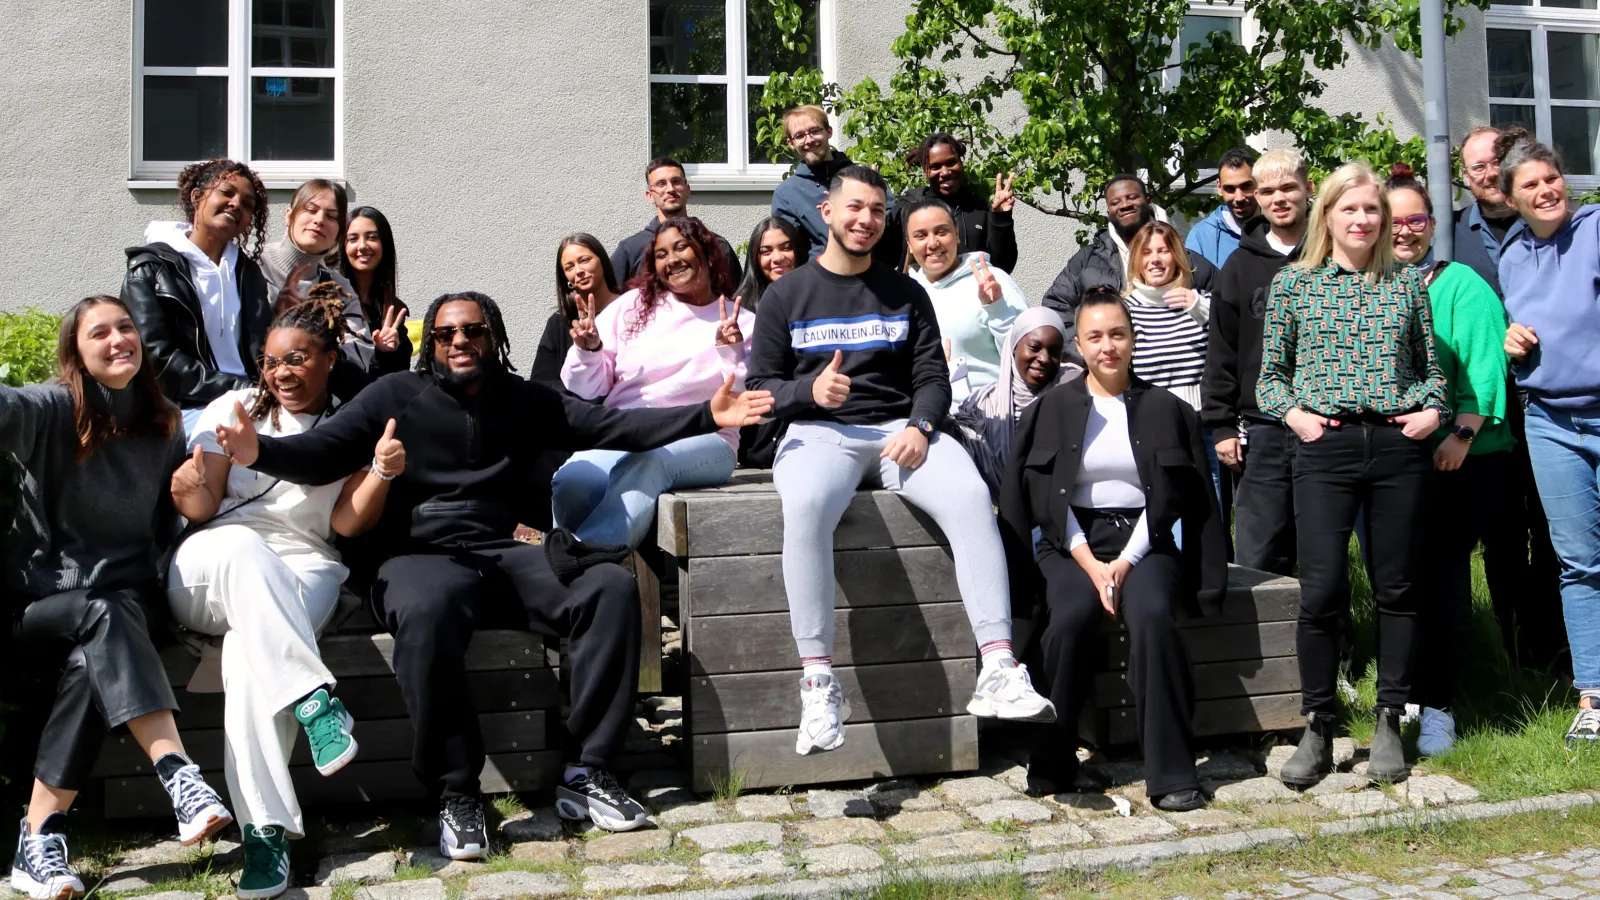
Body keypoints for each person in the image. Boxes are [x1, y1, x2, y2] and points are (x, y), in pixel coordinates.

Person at [212, 291, 774, 855]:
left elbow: (615, 427)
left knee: (608, 586)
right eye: (445, 334)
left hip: (502, 551)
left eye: (473, 331)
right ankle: (457, 792)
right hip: (417, 557)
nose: (459, 342)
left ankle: (588, 772)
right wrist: (255, 450)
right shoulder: (394, 396)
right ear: (429, 342)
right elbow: (320, 452)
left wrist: (707, 416)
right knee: (427, 611)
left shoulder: (528, 400)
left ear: (495, 337)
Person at [745, 164, 1055, 757]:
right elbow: (762, 389)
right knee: (805, 505)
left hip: (898, 432)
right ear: (827, 213)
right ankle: (816, 683)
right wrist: (807, 394)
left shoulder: (905, 291)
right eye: (855, 208)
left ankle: (998, 667)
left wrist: (921, 424)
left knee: (968, 496)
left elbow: (932, 378)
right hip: (818, 433)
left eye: (877, 210)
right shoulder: (786, 294)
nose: (866, 220)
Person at [165, 297, 401, 899]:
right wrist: (189, 480)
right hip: (213, 561)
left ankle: (264, 835)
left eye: (297, 359)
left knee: (249, 655)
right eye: (271, 362)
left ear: (328, 359)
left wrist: (379, 471)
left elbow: (346, 525)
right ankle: (314, 699)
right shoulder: (234, 407)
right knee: (245, 551)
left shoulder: (352, 423)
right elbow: (200, 507)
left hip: (306, 563)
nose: (282, 373)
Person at [4, 297, 232, 900]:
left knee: (93, 657)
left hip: (130, 606)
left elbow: (218, 442)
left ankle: (38, 837)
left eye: (125, 327)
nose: (117, 340)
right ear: (76, 355)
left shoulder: (165, 424)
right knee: (98, 618)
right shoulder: (54, 408)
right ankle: (178, 774)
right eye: (98, 333)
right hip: (45, 604)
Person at [1257, 162, 1449, 788]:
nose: (1363, 220)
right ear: (1328, 215)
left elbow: (1432, 371)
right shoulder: (1294, 285)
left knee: (1397, 586)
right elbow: (1269, 378)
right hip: (1325, 449)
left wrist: (1431, 413)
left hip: (1397, 449)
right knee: (1321, 590)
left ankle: (1391, 717)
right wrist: (1297, 418)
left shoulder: (1407, 286)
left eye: (1373, 210)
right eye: (1351, 209)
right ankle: (1318, 723)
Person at [998, 290, 1226, 810]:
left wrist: (1123, 564)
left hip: (1145, 541)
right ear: (1078, 344)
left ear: (1133, 339)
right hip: (1070, 542)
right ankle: (1052, 763)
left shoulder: (1168, 410)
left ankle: (1171, 772)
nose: (1107, 347)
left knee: (1151, 616)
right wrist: (1089, 564)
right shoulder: (1051, 409)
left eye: (1117, 334)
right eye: (1095, 337)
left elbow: (1178, 500)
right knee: (1071, 616)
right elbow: (1038, 497)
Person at [1383, 164, 1511, 758]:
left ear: (1433, 226)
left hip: (1463, 457)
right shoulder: (1375, 286)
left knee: (1438, 581)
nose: (1404, 230)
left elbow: (1486, 368)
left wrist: (1460, 433)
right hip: (1397, 459)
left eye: (1416, 220)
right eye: (1394, 220)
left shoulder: (1460, 285)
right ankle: (1405, 688)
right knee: (1400, 577)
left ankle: (1441, 705)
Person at [553, 218, 756, 549]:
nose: (671, 259)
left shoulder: (741, 321)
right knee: (573, 480)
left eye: (680, 247)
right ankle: (582, 572)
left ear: (705, 252)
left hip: (706, 440)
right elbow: (585, 388)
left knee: (648, 462)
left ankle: (586, 558)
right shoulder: (632, 307)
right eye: (661, 254)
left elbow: (743, 402)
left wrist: (730, 351)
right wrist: (589, 351)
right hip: (627, 431)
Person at [1496, 128, 1600, 743]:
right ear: (1510, 197)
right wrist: (1512, 344)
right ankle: (1594, 696)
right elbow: (1520, 332)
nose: (1545, 190)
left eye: (1551, 178)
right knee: (1579, 564)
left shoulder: (1595, 230)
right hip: (1551, 423)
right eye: (1529, 184)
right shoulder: (1511, 255)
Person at [1453, 127, 1564, 674]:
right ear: (1465, 178)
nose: (1489, 173)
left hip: (1548, 399)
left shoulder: (1550, 223)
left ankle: (1556, 647)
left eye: (1496, 160)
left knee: (1553, 529)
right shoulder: (1452, 234)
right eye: (1476, 167)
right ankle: (1510, 650)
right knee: (1501, 535)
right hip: (1488, 410)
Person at [1200, 149, 1315, 576]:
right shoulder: (1239, 265)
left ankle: (1327, 644)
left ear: (1309, 188)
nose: (1279, 198)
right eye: (1268, 190)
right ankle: (1264, 644)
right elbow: (1222, 350)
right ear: (1259, 199)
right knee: (1257, 555)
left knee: (1320, 556)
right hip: (1260, 430)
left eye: (1288, 187)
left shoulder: (1331, 257)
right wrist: (1223, 424)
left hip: (1325, 424)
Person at [122, 158, 273, 435]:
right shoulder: (151, 269)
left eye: (247, 204)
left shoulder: (248, 272)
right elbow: (155, 358)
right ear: (197, 197)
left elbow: (262, 349)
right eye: (226, 192)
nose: (236, 204)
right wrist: (237, 389)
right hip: (185, 407)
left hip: (252, 399)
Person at [262, 183, 407, 381]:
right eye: (310, 210)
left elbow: (358, 357)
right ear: (289, 215)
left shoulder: (339, 289)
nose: (319, 220)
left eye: (331, 216)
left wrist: (382, 351)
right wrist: (275, 318)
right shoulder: (252, 264)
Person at [903, 198, 1029, 410]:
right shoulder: (904, 293)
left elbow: (1027, 355)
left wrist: (997, 309)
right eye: (921, 236)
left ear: (957, 234)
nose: (933, 243)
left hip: (989, 419)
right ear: (909, 244)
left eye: (942, 232)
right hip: (926, 420)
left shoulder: (990, 280)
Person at [947, 307, 1071, 500]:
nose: (1044, 358)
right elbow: (954, 447)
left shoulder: (1071, 395)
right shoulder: (981, 405)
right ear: (1014, 347)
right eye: (1034, 347)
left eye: (1054, 352)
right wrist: (939, 385)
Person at [771, 105, 900, 265]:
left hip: (873, 274)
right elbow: (789, 250)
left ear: (829, 132)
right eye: (800, 135)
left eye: (815, 131)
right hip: (821, 281)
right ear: (791, 143)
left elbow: (894, 225)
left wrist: (869, 199)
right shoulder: (787, 194)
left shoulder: (863, 177)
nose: (809, 140)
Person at [732, 217, 810, 467]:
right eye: (766, 251)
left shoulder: (819, 298)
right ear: (755, 258)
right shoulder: (740, 309)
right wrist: (730, 348)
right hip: (759, 430)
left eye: (785, 247)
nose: (777, 258)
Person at [893, 133, 1019, 271]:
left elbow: (1003, 265)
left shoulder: (979, 208)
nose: (945, 172)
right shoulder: (910, 207)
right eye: (935, 167)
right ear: (924, 171)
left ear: (960, 162)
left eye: (951, 162)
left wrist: (1001, 218)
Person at [609, 158, 741, 283]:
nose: (670, 189)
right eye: (661, 184)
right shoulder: (631, 250)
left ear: (688, 190)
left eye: (676, 181)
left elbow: (737, 296)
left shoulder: (716, 245)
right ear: (650, 196)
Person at [531, 234, 623, 390]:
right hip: (578, 412)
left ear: (602, 261)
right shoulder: (559, 322)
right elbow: (542, 384)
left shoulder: (630, 307)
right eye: (569, 267)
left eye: (584, 260)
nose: (578, 271)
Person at [340, 205, 414, 372]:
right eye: (353, 239)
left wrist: (386, 352)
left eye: (372, 237)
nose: (362, 246)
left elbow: (399, 376)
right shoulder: (331, 302)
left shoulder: (393, 310)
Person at [1185, 148, 1259, 270]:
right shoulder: (1201, 236)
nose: (1239, 197)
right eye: (1230, 189)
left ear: (1258, 182)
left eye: (1246, 186)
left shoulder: (1276, 230)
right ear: (1219, 187)